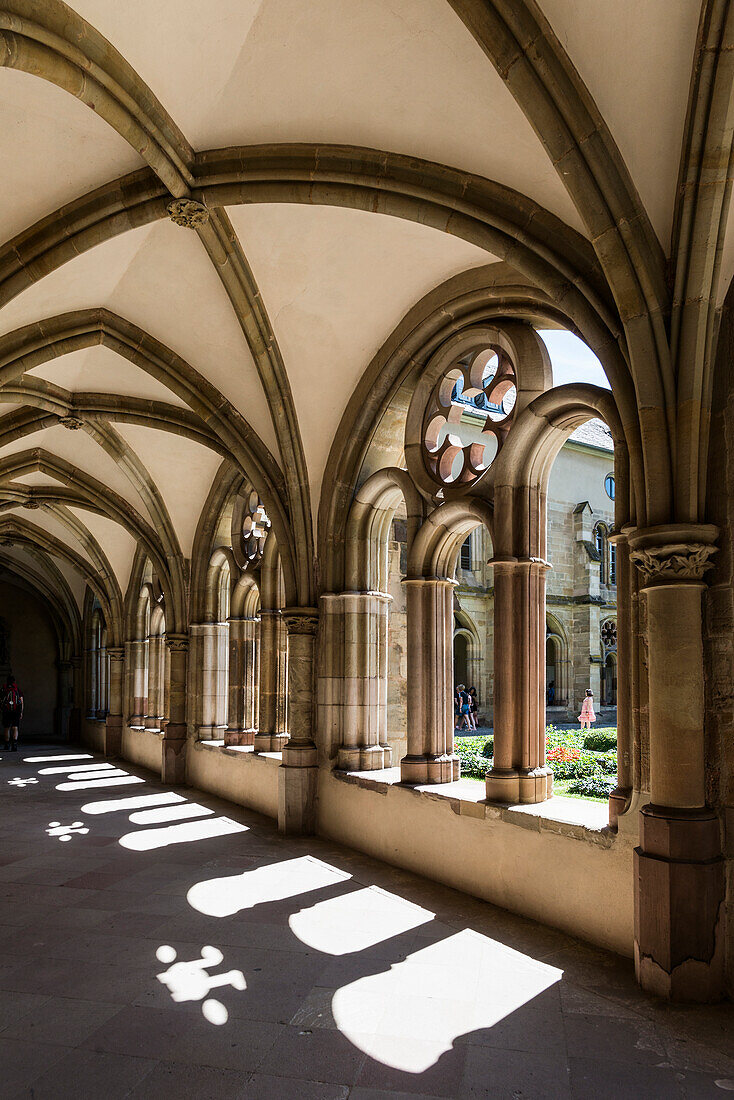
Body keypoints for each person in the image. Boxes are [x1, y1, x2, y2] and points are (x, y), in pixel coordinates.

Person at [2, 674, 23, 751]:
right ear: (14, 681)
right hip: (16, 711)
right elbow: (21, 701)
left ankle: (7, 745)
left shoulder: (4, 689)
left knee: (7, 728)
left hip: (6, 711)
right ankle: (14, 746)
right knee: (15, 728)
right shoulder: (17, 690)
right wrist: (21, 712)